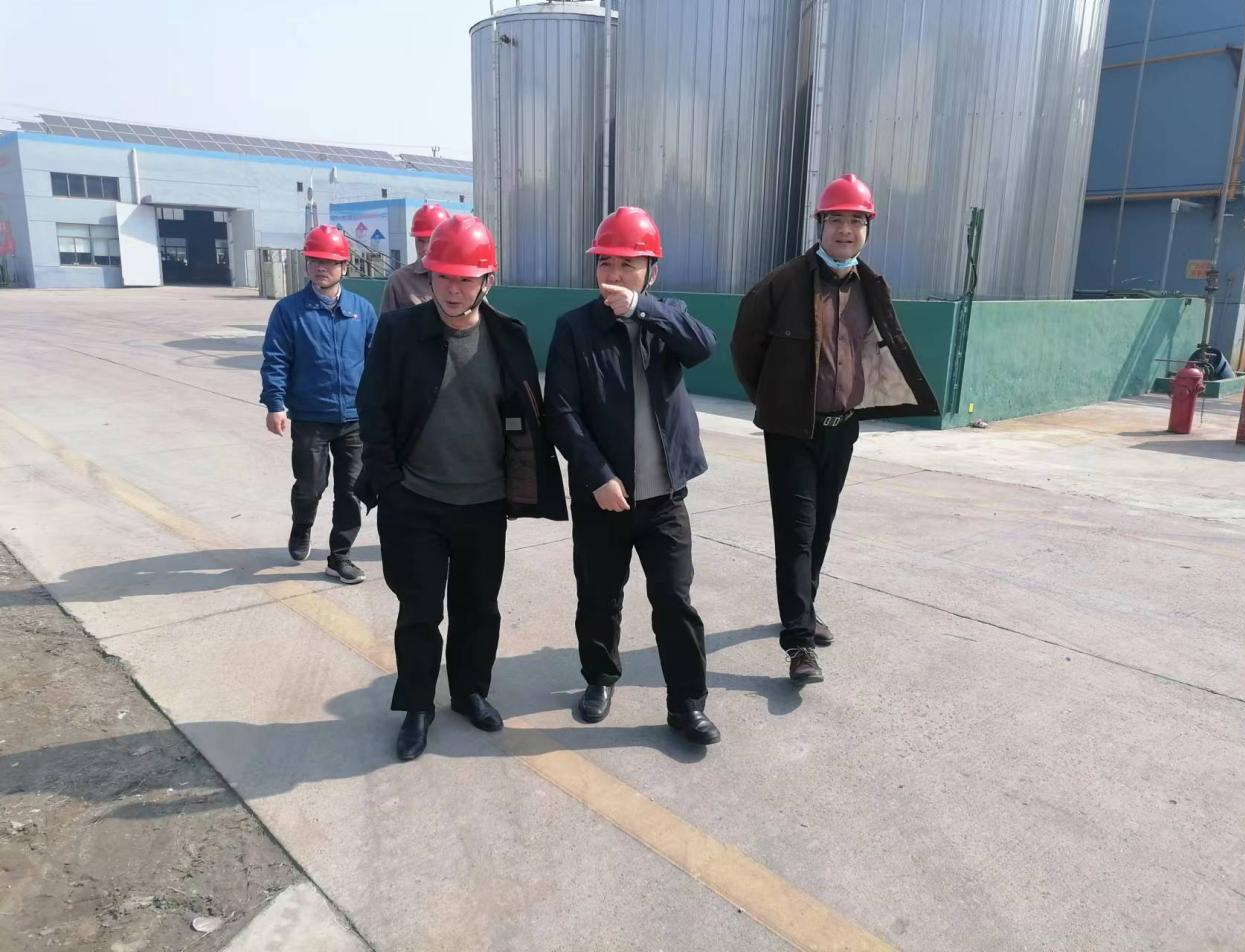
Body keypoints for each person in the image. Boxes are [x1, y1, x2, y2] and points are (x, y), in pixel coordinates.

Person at [355, 213, 567, 761]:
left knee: (479, 607)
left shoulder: (508, 336)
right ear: (429, 275)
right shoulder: (400, 333)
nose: (452, 289)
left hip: (484, 504)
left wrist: (525, 485)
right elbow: (372, 410)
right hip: (415, 503)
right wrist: (390, 485)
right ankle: (417, 706)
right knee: (420, 611)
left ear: (487, 280)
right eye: (443, 277)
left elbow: (529, 415)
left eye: (465, 279)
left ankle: (470, 692)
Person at [731, 173, 939, 685]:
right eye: (836, 220)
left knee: (821, 526)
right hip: (792, 432)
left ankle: (806, 608)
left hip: (842, 428)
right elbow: (745, 350)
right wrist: (776, 403)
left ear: (867, 228)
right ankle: (799, 642)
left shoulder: (871, 286)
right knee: (797, 533)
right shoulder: (781, 284)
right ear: (820, 224)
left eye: (856, 221)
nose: (845, 230)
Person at [545, 206, 721, 746]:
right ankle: (599, 678)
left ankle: (687, 704)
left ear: (651, 272)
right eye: (606, 264)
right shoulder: (575, 328)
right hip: (603, 497)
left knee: (674, 601)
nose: (615, 275)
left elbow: (704, 346)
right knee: (599, 596)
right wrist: (597, 475)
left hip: (664, 497)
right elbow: (562, 411)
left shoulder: (668, 318)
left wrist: (644, 310)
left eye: (628, 265)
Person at [260, 224, 377, 584]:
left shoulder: (362, 310)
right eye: (314, 261)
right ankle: (302, 526)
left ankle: (339, 556)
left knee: (352, 491)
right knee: (310, 485)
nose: (321, 267)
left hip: (354, 418)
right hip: (311, 417)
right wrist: (275, 404)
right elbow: (275, 359)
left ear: (344, 266)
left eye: (329, 261)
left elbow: (377, 362)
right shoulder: (289, 311)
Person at [379, 203, 451, 312]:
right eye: (420, 241)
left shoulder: (463, 279)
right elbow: (386, 322)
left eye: (431, 240)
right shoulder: (399, 282)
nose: (425, 248)